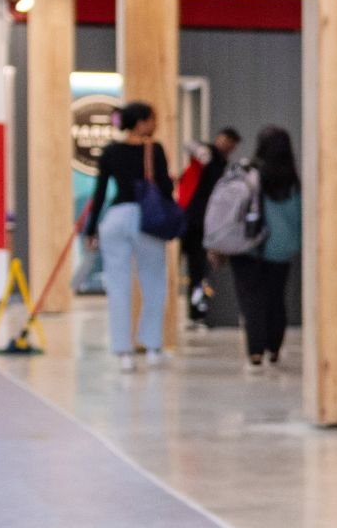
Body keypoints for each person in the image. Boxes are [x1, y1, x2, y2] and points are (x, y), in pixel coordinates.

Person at [80, 101, 174, 371]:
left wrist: (91, 229)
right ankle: (153, 346)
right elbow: (165, 188)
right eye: (153, 119)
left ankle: (124, 353)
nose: (155, 124)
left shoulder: (110, 151)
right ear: (142, 122)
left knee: (118, 286)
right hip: (147, 219)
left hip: (115, 218)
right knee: (154, 282)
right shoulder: (153, 149)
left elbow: (99, 193)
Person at [207, 127, 300, 370]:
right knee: (276, 298)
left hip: (247, 246)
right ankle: (274, 348)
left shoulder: (248, 173)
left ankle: (255, 352)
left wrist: (217, 243)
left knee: (251, 300)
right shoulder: (294, 180)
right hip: (281, 249)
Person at [178, 128, 239, 324]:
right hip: (197, 220)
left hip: (205, 221)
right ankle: (197, 309)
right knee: (197, 268)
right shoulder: (208, 155)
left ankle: (201, 308)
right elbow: (190, 143)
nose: (227, 146)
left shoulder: (222, 163)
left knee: (201, 269)